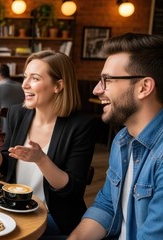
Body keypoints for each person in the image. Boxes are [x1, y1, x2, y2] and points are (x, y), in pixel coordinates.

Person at [0, 50, 96, 235]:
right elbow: (4, 166)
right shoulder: (17, 114)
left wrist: (41, 160)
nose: (24, 85)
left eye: (34, 78)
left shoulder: (81, 126)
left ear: (58, 86)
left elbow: (72, 190)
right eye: (24, 77)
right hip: (14, 209)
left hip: (54, 217)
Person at [69, 33, 163, 239]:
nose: (96, 89)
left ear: (144, 87)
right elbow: (107, 204)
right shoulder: (123, 139)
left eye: (107, 80)